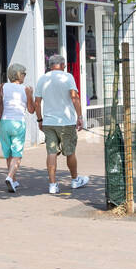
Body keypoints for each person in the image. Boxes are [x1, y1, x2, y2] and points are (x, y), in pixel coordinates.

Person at [34, 54, 88, 195]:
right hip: (66, 122)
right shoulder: (67, 77)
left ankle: (52, 184)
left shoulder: (42, 79)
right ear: (63, 65)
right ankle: (75, 180)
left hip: (49, 122)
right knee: (70, 152)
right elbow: (74, 97)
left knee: (51, 152)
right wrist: (80, 116)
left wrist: (39, 120)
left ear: (50, 65)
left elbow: (37, 102)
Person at [0, 63, 35, 192]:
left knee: (8, 153)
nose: (25, 76)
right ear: (19, 75)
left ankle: (13, 180)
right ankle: (9, 177)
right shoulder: (25, 89)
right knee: (17, 154)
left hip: (3, 123)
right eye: (24, 74)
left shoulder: (3, 86)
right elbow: (31, 110)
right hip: (18, 123)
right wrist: (30, 95)